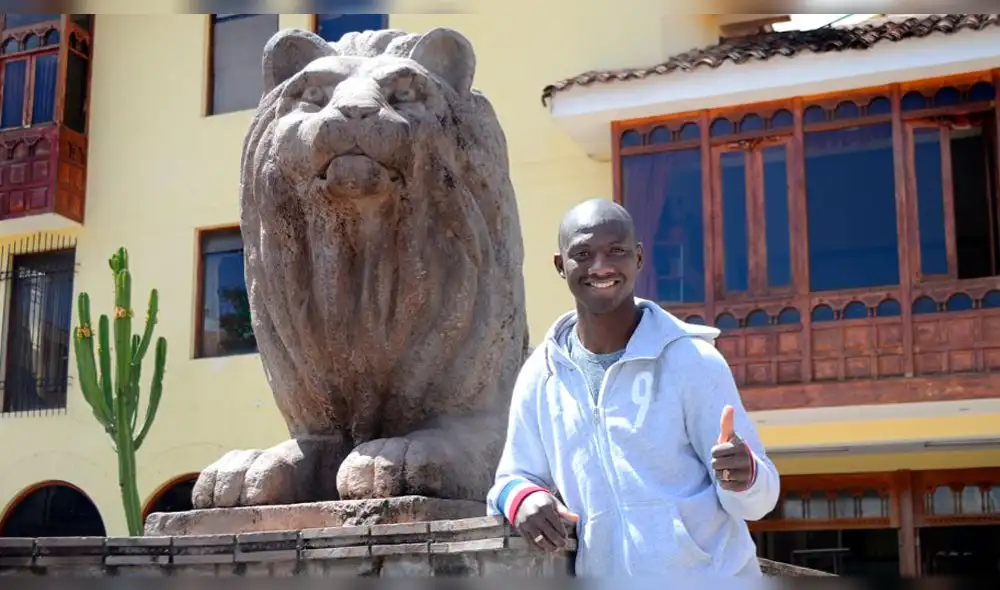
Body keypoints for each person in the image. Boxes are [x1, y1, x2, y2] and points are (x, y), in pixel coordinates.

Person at [486, 198, 780, 577]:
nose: (601, 266)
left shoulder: (692, 360)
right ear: (561, 266)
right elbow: (510, 479)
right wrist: (523, 498)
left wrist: (746, 477)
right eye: (583, 253)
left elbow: (758, 502)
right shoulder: (540, 375)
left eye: (617, 251)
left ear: (639, 259)